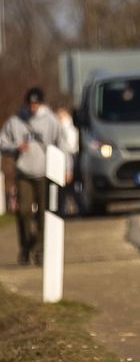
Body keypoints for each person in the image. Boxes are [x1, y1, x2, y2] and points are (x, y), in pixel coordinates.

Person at [0, 88, 72, 265]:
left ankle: (39, 250)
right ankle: (26, 245)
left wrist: (67, 167)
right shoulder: (15, 121)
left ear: (40, 104)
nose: (33, 107)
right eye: (30, 104)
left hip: (45, 173)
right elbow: (2, 142)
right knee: (23, 211)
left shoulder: (51, 121)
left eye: (36, 104)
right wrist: (16, 148)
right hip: (24, 172)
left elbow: (63, 145)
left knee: (43, 213)